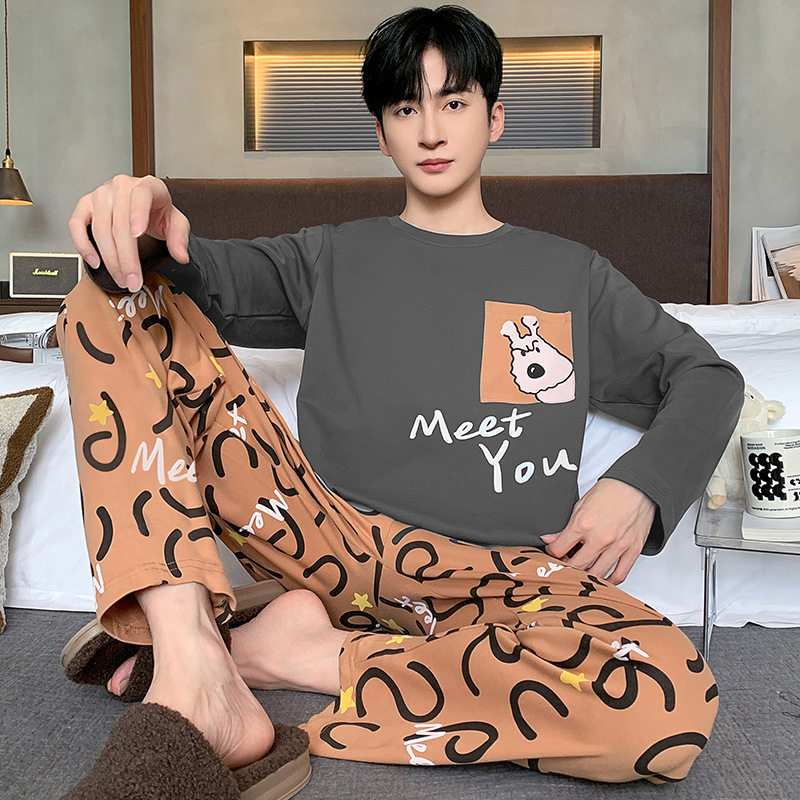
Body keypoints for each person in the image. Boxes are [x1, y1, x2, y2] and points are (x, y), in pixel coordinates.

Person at [61, 4, 744, 786]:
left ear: (494, 118)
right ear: (381, 133)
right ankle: (190, 663)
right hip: (325, 541)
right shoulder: (330, 256)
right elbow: (195, 274)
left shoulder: (572, 275)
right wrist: (143, 226)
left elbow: (708, 376)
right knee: (105, 298)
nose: (431, 131)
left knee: (665, 702)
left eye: (454, 102)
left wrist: (641, 487)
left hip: (503, 579)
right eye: (405, 108)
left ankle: (293, 653)